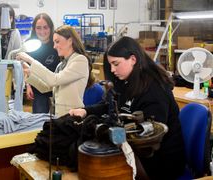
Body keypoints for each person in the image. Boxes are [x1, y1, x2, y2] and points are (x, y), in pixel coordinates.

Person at [69, 36, 186, 180]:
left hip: (160, 162)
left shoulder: (155, 91)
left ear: (133, 59)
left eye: (116, 64)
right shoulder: (128, 82)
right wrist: (86, 111)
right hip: (137, 152)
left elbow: (149, 137)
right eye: (110, 64)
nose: (112, 69)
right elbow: (109, 106)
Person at [16, 25, 94, 117]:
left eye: (57, 42)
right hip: (58, 116)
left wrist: (31, 60)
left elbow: (54, 80)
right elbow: (46, 87)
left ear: (70, 41)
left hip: (72, 117)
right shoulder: (61, 65)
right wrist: (29, 72)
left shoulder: (80, 60)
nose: (54, 46)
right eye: (54, 42)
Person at [25, 13, 60, 113]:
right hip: (38, 89)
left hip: (56, 87)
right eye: (38, 28)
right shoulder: (29, 45)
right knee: (40, 121)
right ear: (34, 29)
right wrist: (28, 86)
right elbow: (26, 67)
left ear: (51, 27)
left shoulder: (57, 44)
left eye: (45, 27)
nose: (42, 31)